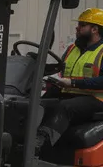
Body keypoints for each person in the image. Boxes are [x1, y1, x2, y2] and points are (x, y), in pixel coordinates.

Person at [39, 8, 103, 149]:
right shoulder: (72, 48)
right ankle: (23, 138)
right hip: (71, 92)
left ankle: (42, 143)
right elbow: (60, 68)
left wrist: (73, 83)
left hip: (96, 99)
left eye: (82, 25)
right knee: (39, 102)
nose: (77, 28)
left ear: (94, 29)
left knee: (65, 108)